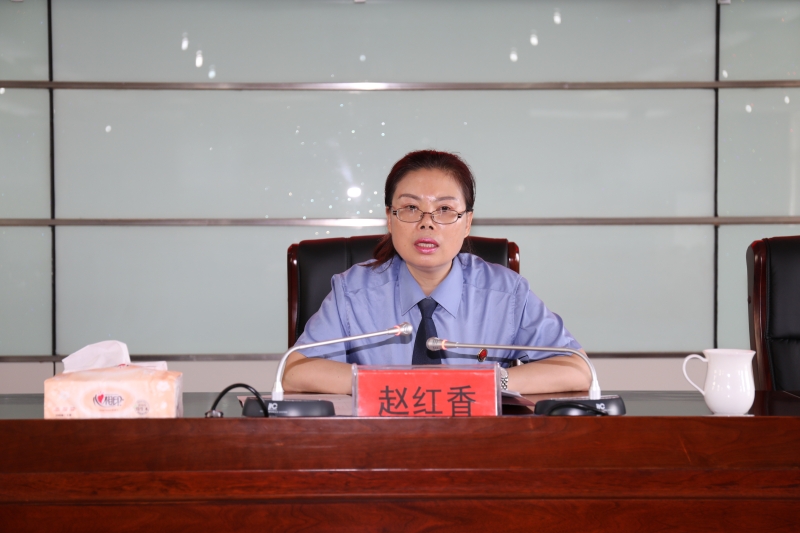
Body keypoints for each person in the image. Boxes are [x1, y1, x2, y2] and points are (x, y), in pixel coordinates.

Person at [283, 150, 591, 395]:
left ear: (467, 222)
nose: (426, 223)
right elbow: (295, 371)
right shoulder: (352, 291)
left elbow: (577, 369)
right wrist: (387, 384)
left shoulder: (505, 292)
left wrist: (490, 382)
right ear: (390, 218)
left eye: (444, 209)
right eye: (410, 208)